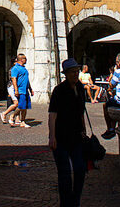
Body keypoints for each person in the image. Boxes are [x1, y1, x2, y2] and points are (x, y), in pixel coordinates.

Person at [49, 58, 88, 207]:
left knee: (80, 169)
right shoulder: (59, 90)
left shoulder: (80, 88)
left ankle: (75, 201)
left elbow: (81, 112)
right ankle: (66, 203)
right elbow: (52, 114)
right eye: (72, 72)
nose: (75, 74)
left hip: (77, 136)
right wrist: (52, 136)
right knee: (64, 174)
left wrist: (83, 129)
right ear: (66, 74)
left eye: (77, 71)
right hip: (61, 138)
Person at [10, 53, 34, 128]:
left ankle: (22, 121)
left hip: (25, 90)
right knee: (21, 106)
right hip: (20, 90)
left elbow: (27, 80)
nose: (26, 60)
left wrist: (30, 89)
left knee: (25, 107)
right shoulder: (15, 68)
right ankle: (12, 115)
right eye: (25, 58)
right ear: (21, 59)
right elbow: (13, 79)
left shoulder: (24, 68)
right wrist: (16, 90)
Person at [0, 57, 20, 124]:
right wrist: (16, 90)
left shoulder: (17, 69)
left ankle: (17, 118)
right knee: (16, 103)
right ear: (14, 63)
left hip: (16, 87)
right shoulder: (12, 70)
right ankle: (4, 113)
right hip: (12, 87)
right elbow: (13, 80)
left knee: (19, 103)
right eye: (17, 61)